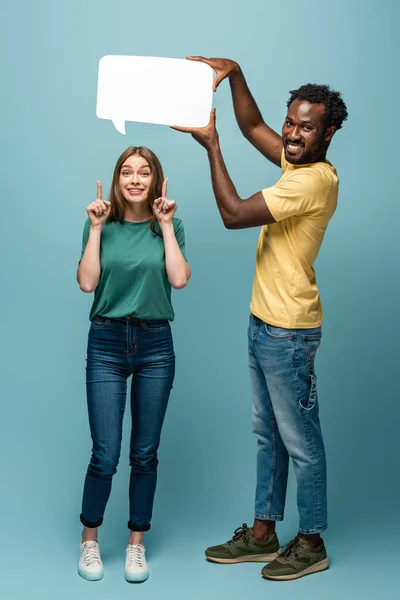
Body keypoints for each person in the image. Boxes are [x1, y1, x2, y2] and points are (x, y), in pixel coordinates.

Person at [172, 56, 348, 581]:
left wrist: (212, 145)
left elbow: (233, 213)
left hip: (289, 332)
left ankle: (311, 540)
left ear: (328, 132)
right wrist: (237, 72)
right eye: (290, 122)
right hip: (263, 321)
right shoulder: (298, 161)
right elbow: (253, 125)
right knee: (267, 435)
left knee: (300, 440)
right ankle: (263, 533)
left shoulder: (311, 181)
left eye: (305, 126)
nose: (292, 134)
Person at [76, 146, 191, 582]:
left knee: (145, 453)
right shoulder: (101, 226)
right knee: (105, 454)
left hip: (155, 345)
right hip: (106, 341)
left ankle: (135, 544)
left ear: (156, 179)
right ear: (117, 179)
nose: (135, 179)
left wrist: (164, 225)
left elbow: (178, 278)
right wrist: (95, 228)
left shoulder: (172, 225)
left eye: (144, 172)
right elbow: (87, 282)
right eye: (127, 172)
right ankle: (89, 540)